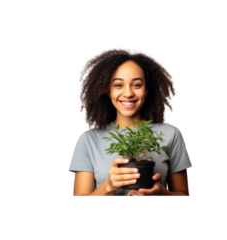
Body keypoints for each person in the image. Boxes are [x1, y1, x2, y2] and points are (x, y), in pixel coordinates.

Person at [69, 46, 193, 198]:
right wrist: (109, 186)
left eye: (137, 85)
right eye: (118, 85)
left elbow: (183, 195)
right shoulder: (88, 139)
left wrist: (159, 192)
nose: (128, 93)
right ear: (108, 90)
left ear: (147, 90)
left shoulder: (171, 133)